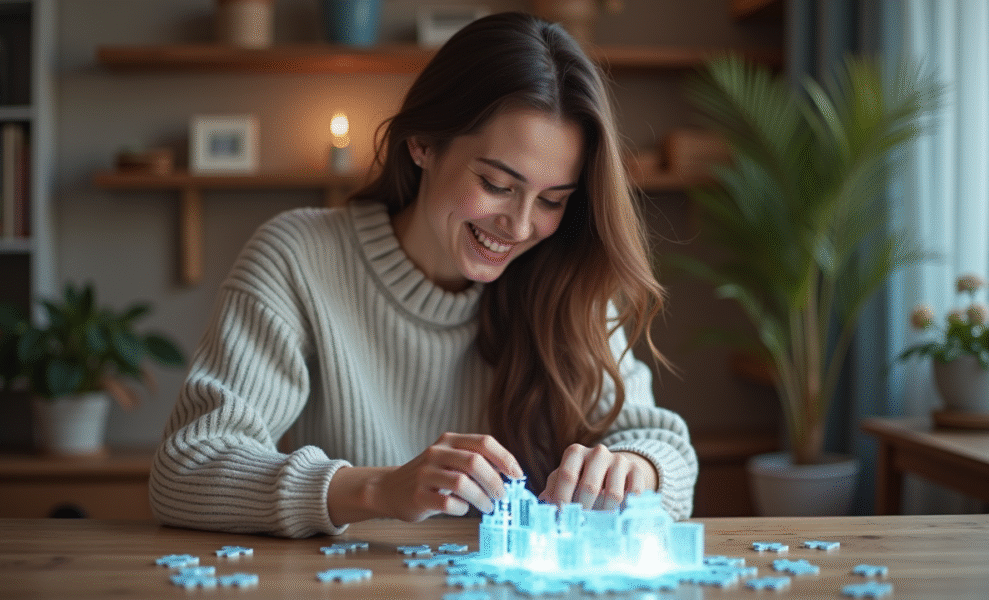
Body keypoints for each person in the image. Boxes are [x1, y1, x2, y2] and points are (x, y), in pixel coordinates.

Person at [149, 11, 697, 538]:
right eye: (497, 185)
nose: (520, 226)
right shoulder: (298, 258)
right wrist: (378, 490)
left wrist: (634, 469)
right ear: (423, 143)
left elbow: (666, 454)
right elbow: (185, 470)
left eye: (552, 200)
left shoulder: (565, 278)